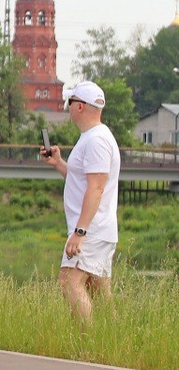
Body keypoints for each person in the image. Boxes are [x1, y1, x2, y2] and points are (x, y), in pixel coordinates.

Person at [42, 81, 121, 322]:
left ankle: (88, 344)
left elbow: (96, 189)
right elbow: (84, 181)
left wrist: (80, 231)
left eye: (70, 101)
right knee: (99, 292)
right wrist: (59, 164)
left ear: (80, 107)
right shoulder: (93, 137)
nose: (68, 106)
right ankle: (114, 342)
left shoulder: (96, 140)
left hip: (91, 230)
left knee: (69, 282)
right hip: (97, 229)